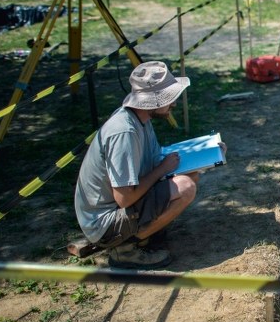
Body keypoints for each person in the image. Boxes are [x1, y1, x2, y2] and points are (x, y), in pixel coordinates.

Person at [74, 61, 205, 269]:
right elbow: (124, 198)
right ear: (152, 101)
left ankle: (145, 233)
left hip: (116, 210)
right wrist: (162, 170)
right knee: (186, 187)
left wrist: (209, 155)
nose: (173, 103)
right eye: (169, 98)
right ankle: (126, 248)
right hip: (104, 222)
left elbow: (153, 161)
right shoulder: (124, 132)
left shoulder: (140, 119)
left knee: (192, 176)